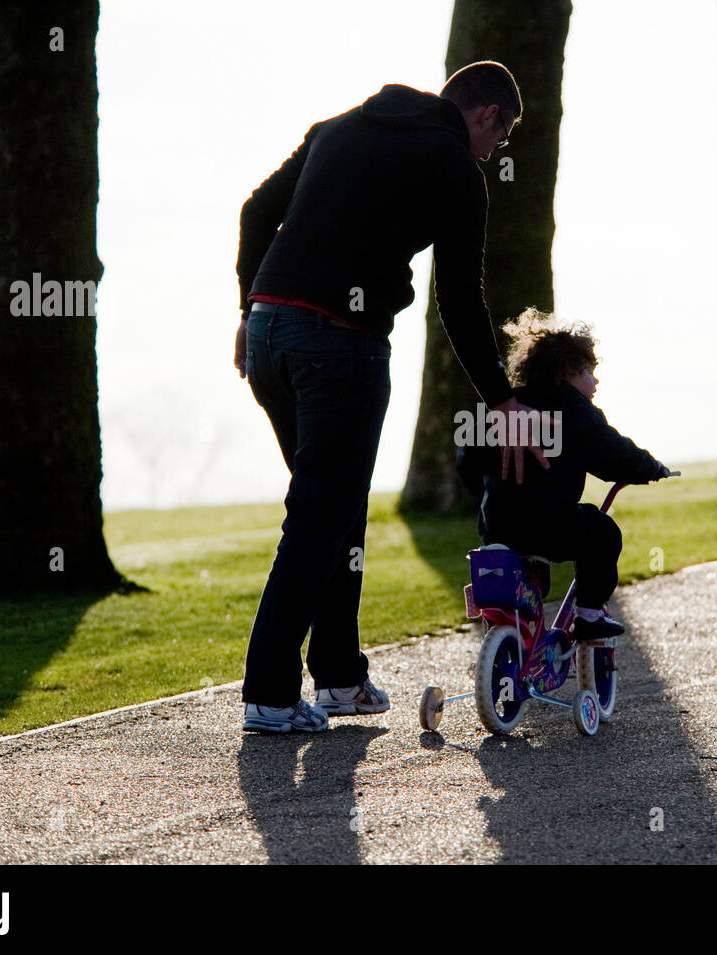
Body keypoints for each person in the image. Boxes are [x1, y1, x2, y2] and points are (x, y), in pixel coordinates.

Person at [234, 62, 550, 733]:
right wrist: (500, 397)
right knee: (322, 510)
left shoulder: (338, 128)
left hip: (268, 332)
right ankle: (268, 692)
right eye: (503, 137)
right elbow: (459, 299)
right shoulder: (457, 170)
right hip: (338, 344)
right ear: (489, 115)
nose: (495, 153)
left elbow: (257, 212)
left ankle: (341, 677)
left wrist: (248, 310)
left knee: (336, 505)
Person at [457, 309, 671, 640]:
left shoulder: (501, 408)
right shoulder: (575, 411)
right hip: (551, 525)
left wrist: (482, 484)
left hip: (498, 526)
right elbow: (611, 453)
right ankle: (588, 616)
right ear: (566, 372)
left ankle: (506, 639)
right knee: (602, 533)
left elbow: (468, 459)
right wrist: (650, 467)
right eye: (589, 371)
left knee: (521, 574)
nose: (595, 380)